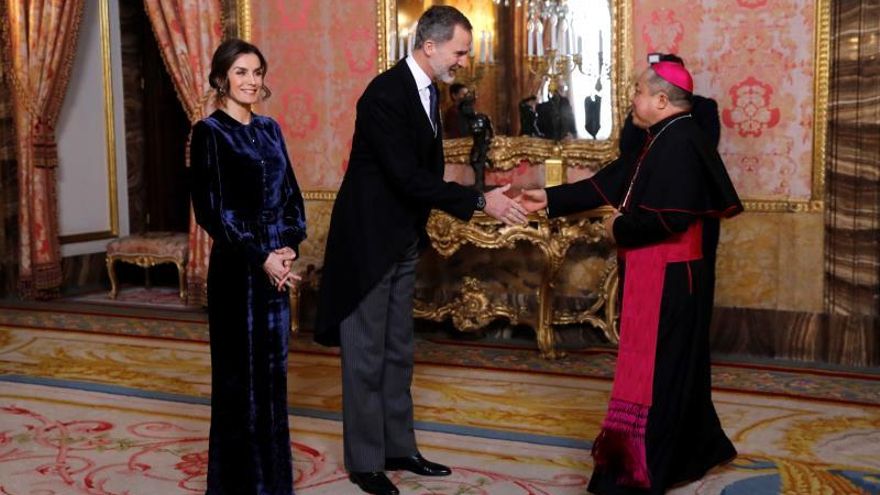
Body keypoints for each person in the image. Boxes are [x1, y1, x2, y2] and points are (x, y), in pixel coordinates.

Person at [314, 6, 527, 495]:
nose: (464, 61)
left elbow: (424, 178)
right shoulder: (383, 95)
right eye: (459, 51)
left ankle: (398, 448)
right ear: (429, 46)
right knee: (365, 353)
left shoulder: (431, 92)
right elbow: (407, 177)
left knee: (398, 350)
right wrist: (479, 200)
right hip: (369, 240)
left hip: (404, 236)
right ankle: (365, 462)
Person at [517, 62, 741, 494]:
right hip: (665, 276)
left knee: (660, 375)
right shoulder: (663, 137)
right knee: (676, 370)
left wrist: (617, 228)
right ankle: (697, 450)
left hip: (668, 279)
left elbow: (672, 219)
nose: (632, 99)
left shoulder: (679, 143)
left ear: (661, 100)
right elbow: (610, 183)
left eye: (638, 91)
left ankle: (642, 471)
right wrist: (547, 197)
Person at [190, 38, 306, 495]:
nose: (251, 81)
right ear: (221, 78)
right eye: (241, 72)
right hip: (238, 272)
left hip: (276, 270)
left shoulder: (271, 129)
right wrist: (262, 256)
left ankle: (274, 484)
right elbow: (212, 212)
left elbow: (292, 196)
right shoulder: (209, 133)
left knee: (273, 378)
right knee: (241, 381)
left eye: (257, 72)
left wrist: (288, 247)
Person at [619, 53, 724, 327]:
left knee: (691, 296)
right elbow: (626, 153)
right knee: (649, 314)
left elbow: (704, 149)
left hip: (690, 214)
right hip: (647, 214)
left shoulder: (700, 112)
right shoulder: (641, 113)